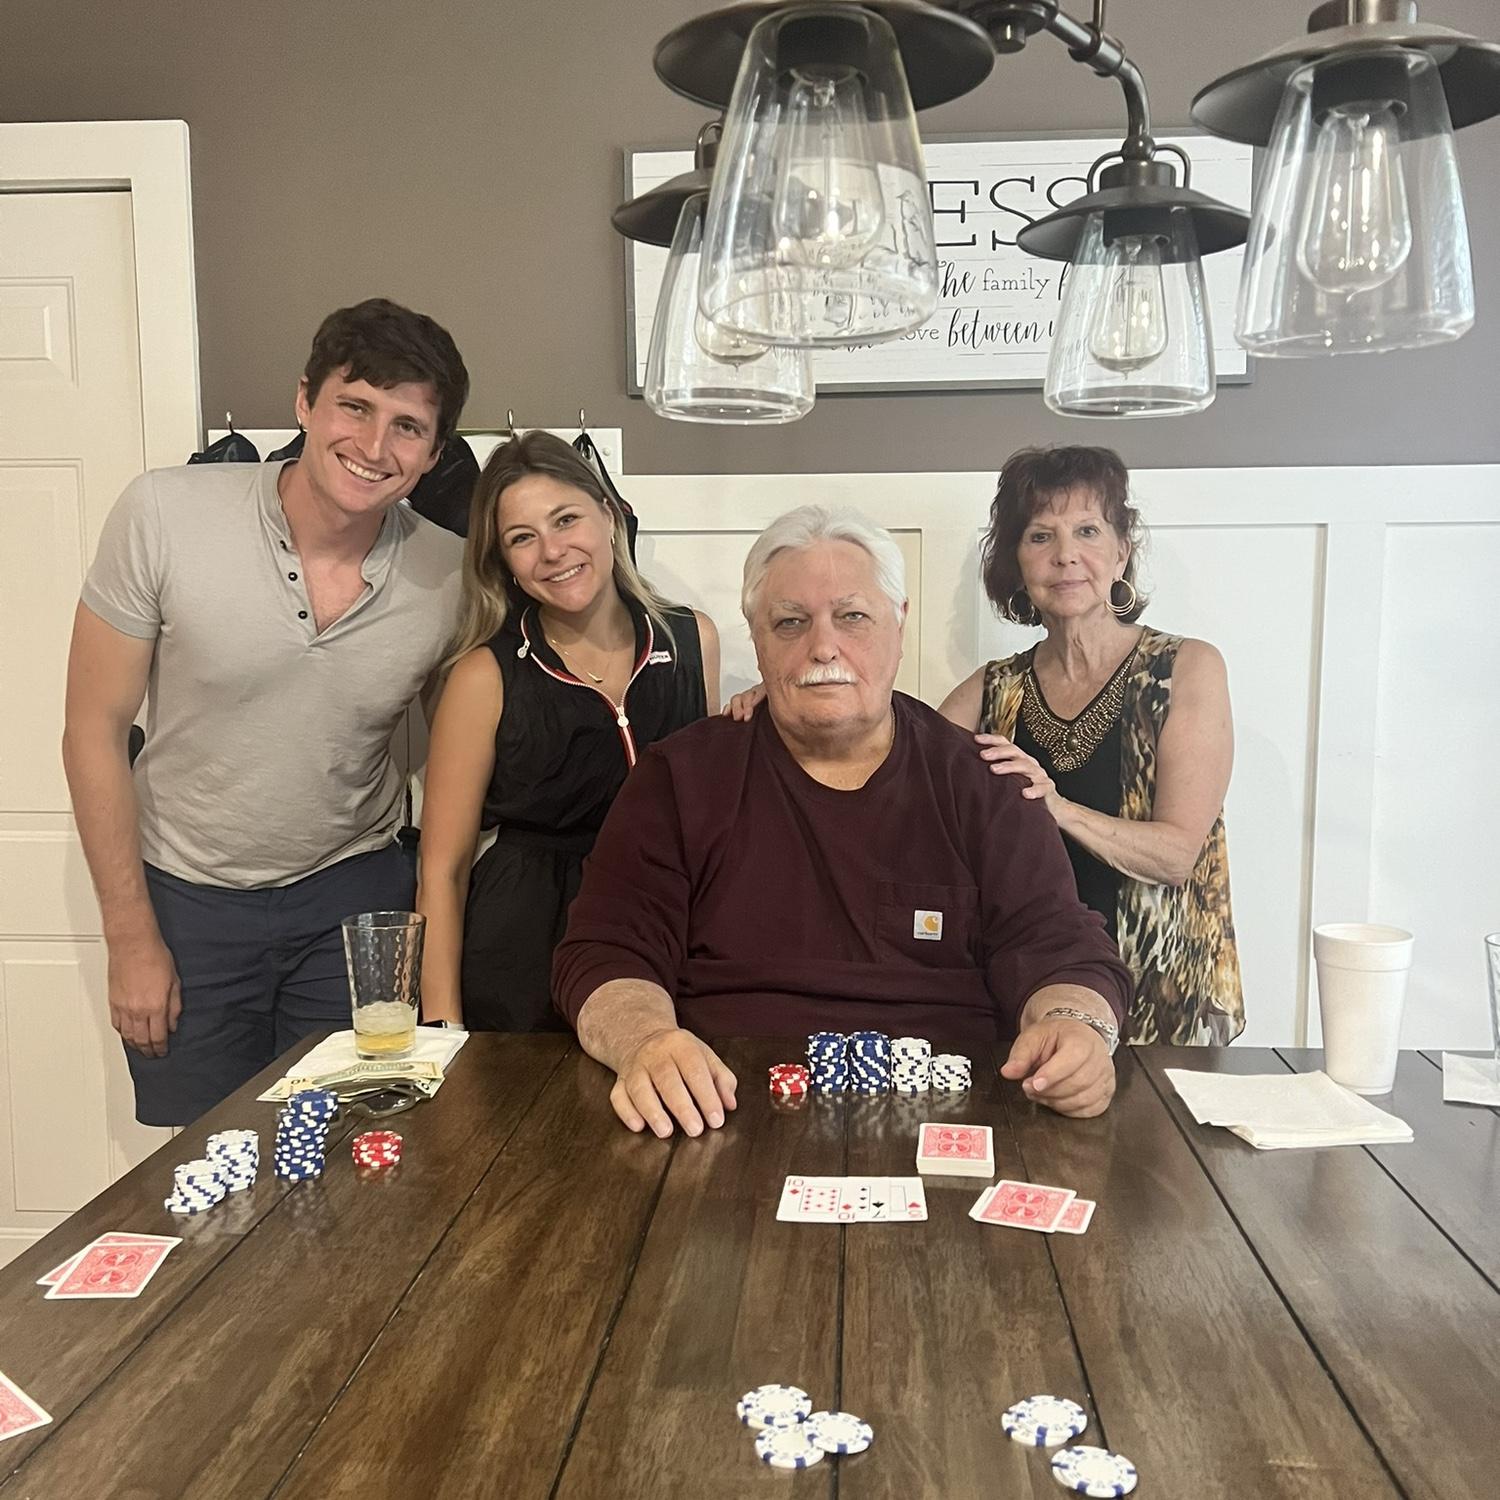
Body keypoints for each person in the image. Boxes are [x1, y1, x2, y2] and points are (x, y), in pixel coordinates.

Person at [552, 505, 1131, 1139]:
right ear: (756, 635)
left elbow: (1059, 947)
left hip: (956, 1120)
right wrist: (645, 1041)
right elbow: (607, 949)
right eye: (790, 622)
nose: (823, 647)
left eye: (852, 617)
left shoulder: (985, 782)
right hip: (714, 1114)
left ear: (898, 621)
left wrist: (1079, 1028)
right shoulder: (676, 779)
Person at [62, 298, 470, 1125]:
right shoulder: (163, 514)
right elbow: (92, 731)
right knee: (214, 1162)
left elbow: (494, 731)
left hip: (353, 903)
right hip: (187, 900)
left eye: (407, 427)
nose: (373, 446)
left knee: (358, 1155)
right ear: (305, 403)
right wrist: (131, 937)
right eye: (354, 406)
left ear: (432, 452)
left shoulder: (452, 576)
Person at [939, 446, 1244, 1046]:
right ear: (1016, 562)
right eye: (1039, 536)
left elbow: (1176, 855)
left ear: (1121, 551)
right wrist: (809, 690)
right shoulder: (992, 687)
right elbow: (892, 756)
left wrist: (1055, 806)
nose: (1065, 555)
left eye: (1087, 530)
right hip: (1026, 998)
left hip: (1160, 1000)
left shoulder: (1186, 668)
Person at [416, 432, 719, 1032]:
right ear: (503, 561)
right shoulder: (483, 674)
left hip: (665, 932)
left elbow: (712, 812)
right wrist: (441, 1030)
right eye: (522, 538)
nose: (552, 551)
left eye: (566, 520)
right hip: (524, 950)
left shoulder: (693, 640)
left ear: (608, 517)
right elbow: (442, 871)